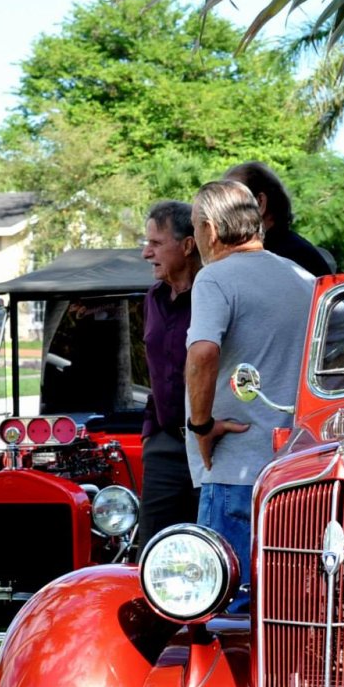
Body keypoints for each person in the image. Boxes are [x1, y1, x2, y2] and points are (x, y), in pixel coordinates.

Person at [185, 179, 314, 586]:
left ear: (210, 229)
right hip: (294, 466)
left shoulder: (214, 278)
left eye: (193, 227)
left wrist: (201, 426)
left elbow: (202, 353)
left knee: (228, 602)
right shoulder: (299, 276)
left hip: (233, 467)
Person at [139, 199, 202, 548]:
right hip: (164, 446)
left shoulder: (215, 292)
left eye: (156, 243)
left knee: (209, 552)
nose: (147, 253)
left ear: (188, 245)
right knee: (153, 550)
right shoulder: (153, 297)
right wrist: (151, 431)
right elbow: (156, 369)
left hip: (211, 447)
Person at [223, 160, 336, 277]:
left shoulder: (285, 257)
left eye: (229, 200)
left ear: (260, 203)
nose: (220, 210)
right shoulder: (289, 249)